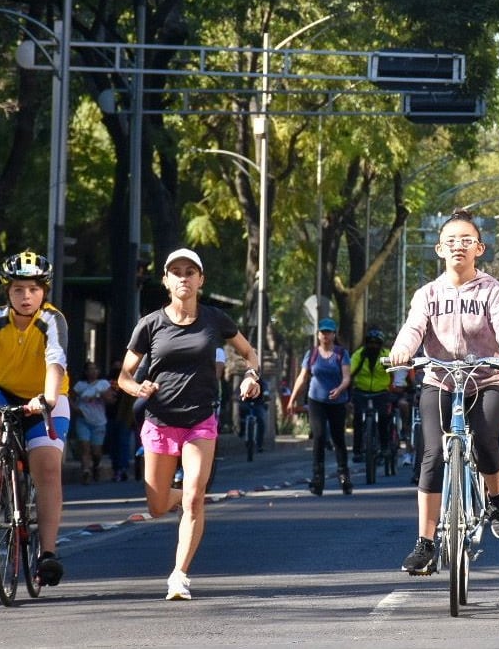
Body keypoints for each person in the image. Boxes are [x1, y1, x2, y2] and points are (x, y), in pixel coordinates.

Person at [388, 210, 499, 575]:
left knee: (485, 440)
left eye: (466, 241)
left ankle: (497, 499)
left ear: (479, 248)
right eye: (451, 241)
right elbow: (412, 328)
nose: (458, 247)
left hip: (486, 380)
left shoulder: (493, 290)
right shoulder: (427, 294)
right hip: (440, 380)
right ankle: (425, 543)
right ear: (439, 249)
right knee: (433, 455)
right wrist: (402, 350)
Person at [116, 248, 262, 599]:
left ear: (200, 280)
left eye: (190, 271)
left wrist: (251, 375)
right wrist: (138, 386)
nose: (184, 277)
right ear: (166, 281)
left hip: (200, 419)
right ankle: (181, 496)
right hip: (160, 419)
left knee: (195, 499)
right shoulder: (150, 324)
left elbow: (248, 352)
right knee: (156, 506)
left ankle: (179, 575)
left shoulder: (215, 319)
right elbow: (123, 375)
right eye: (176, 272)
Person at [0, 251, 71, 586]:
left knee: (48, 467)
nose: (26, 297)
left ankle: (48, 554)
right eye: (19, 289)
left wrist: (48, 398)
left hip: (44, 396)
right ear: (7, 292)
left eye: (34, 289)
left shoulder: (53, 320)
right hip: (3, 389)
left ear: (44, 292)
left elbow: (56, 362)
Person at [287, 317, 352, 496]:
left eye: (328, 332)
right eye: (322, 332)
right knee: (319, 437)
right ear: (318, 334)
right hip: (316, 400)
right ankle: (317, 479)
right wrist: (293, 398)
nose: (325, 335)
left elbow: (347, 377)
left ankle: (344, 476)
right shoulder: (312, 354)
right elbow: (302, 377)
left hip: (337, 401)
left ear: (334, 334)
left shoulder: (341, 354)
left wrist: (339, 389)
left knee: (338, 438)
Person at [350, 328, 394, 464]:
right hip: (361, 391)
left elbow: (393, 373)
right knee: (357, 419)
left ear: (381, 344)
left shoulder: (385, 356)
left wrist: (395, 386)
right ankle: (357, 451)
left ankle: (384, 446)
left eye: (376, 343)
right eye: (370, 343)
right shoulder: (359, 355)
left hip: (381, 392)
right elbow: (350, 372)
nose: (373, 346)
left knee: (383, 418)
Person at [71, 361, 111, 484]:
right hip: (83, 420)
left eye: (95, 369)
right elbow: (69, 397)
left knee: (96, 452)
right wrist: (75, 409)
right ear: (85, 372)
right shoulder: (80, 385)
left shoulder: (103, 384)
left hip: (99, 422)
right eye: (90, 369)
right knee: (85, 448)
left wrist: (99, 395)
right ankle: (86, 471)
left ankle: (96, 466)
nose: (93, 372)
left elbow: (111, 400)